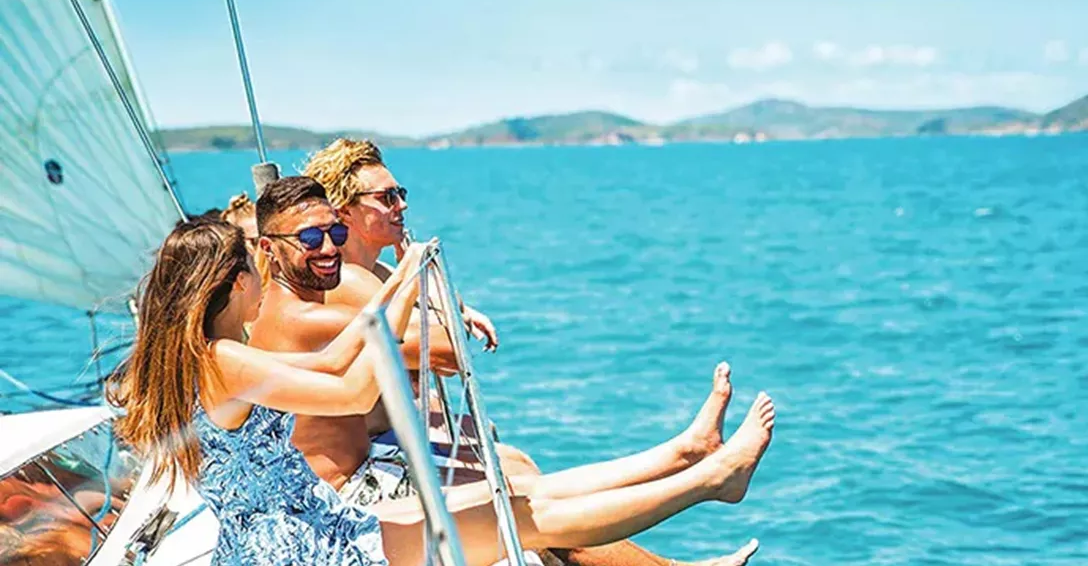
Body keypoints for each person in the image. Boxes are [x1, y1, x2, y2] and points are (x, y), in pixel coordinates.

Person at [110, 218, 776, 566]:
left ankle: (699, 465)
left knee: (523, 503)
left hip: (309, 534)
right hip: (308, 550)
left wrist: (403, 280)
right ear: (227, 285)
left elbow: (346, 353)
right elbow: (346, 390)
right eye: (252, 270)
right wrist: (406, 292)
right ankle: (712, 478)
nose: (264, 280)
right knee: (525, 516)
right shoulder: (223, 359)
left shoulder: (215, 357)